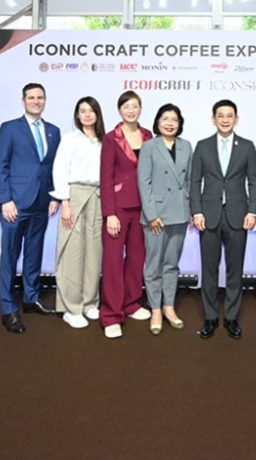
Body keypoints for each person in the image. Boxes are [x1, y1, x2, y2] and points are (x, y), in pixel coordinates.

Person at [190, 99, 256, 340]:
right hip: (208, 216)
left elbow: (254, 181)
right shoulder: (202, 146)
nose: (225, 119)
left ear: (236, 119)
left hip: (238, 216)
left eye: (230, 115)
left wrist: (252, 212)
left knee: (235, 270)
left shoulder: (247, 146)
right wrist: (197, 212)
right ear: (213, 119)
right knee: (208, 270)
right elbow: (195, 181)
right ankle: (210, 317)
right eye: (221, 115)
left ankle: (231, 317)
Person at [0, 83, 60, 334]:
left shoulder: (53, 131)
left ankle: (31, 299)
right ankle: (8, 308)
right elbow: (1, 165)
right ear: (23, 101)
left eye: (40, 97)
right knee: (9, 256)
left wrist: (54, 195)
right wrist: (5, 200)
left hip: (42, 203)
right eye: (31, 97)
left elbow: (53, 167)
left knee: (34, 253)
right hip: (15, 203)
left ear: (45, 100)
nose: (36, 101)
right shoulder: (9, 128)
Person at [99, 91, 153, 339]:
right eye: (126, 106)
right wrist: (109, 213)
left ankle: (131, 303)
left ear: (140, 109)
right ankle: (111, 314)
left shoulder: (148, 136)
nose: (131, 110)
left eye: (135, 106)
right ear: (119, 110)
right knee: (112, 261)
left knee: (136, 258)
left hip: (143, 207)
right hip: (118, 208)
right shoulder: (111, 139)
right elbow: (106, 178)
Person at [50, 96, 105, 329]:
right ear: (77, 115)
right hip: (74, 196)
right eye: (82, 111)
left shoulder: (104, 141)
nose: (87, 114)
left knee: (95, 253)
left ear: (97, 114)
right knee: (72, 253)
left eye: (91, 110)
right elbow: (59, 169)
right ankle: (70, 307)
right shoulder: (70, 139)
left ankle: (89, 302)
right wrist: (65, 202)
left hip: (99, 196)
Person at [138, 103, 192, 335]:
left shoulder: (186, 146)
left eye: (174, 119)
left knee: (171, 264)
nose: (170, 123)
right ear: (157, 123)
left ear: (180, 123)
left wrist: (190, 210)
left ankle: (169, 306)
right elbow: (144, 182)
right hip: (156, 216)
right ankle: (155, 309)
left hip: (179, 213)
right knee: (154, 265)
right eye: (165, 119)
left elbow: (189, 181)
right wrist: (151, 215)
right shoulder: (149, 146)